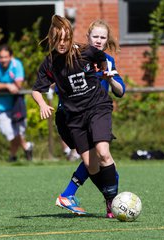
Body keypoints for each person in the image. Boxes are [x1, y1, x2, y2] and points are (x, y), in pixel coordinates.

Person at [32, 15, 119, 218]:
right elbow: (36, 90)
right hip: (75, 117)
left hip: (97, 107)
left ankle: (112, 201)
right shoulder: (50, 63)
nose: (62, 44)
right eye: (57, 39)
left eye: (65, 39)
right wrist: (42, 103)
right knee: (91, 164)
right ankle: (109, 198)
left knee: (103, 152)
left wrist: (105, 72)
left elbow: (101, 58)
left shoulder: (84, 51)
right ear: (52, 39)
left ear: (70, 38)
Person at [54, 19, 125, 217]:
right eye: (96, 36)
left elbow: (121, 90)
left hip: (95, 113)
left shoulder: (107, 60)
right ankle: (109, 201)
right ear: (88, 37)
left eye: (103, 37)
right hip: (71, 115)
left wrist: (110, 78)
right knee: (97, 159)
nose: (99, 41)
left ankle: (105, 202)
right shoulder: (74, 55)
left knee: (102, 158)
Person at [0, 45, 34, 162]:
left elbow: (18, 85)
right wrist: (8, 85)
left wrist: (5, 85)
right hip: (2, 106)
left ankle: (12, 157)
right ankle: (27, 146)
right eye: (1, 57)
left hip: (17, 104)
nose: (3, 60)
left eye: (6, 57)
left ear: (11, 57)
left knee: (18, 132)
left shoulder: (17, 64)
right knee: (9, 132)